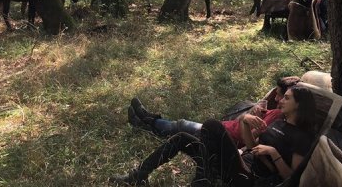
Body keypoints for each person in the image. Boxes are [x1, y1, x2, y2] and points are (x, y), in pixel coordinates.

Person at [111, 85, 316, 186]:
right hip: (238, 161)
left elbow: (292, 178)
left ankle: (203, 182)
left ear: (299, 105)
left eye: (287, 98)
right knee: (182, 136)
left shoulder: (301, 137)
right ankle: (138, 176)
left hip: (250, 178)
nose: (280, 101)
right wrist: (245, 122)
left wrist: (273, 152)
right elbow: (251, 144)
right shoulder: (279, 121)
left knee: (211, 126)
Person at [128, 76, 300, 148]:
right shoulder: (275, 112)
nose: (276, 99)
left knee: (181, 126)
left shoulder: (278, 117)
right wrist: (252, 113)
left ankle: (146, 123)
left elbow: (251, 140)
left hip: (225, 138)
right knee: (181, 127)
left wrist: (247, 119)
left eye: (281, 96)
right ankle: (148, 120)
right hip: (225, 128)